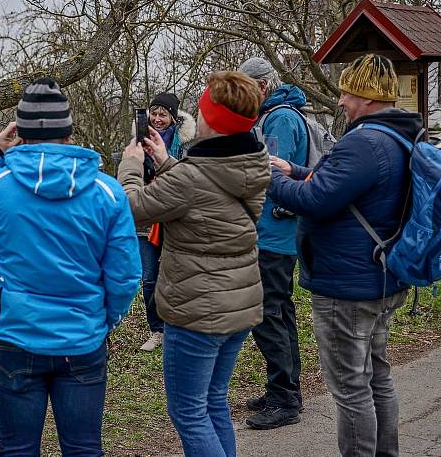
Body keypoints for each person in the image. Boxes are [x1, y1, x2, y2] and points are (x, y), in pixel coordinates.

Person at [0, 77, 140, 456]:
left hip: (16, 339)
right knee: (84, 448)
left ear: (18, 131)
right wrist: (106, 320)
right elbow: (125, 275)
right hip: (83, 339)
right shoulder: (107, 192)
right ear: (69, 132)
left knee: (18, 449)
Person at [267, 54, 422, 457]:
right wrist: (295, 169)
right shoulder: (396, 137)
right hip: (380, 275)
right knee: (376, 378)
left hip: (347, 285)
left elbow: (318, 200)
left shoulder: (364, 141)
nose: (340, 100)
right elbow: (346, 187)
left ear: (367, 98)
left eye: (348, 92)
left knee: (351, 388)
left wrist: (270, 177)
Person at [119, 71, 269, 457]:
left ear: (212, 119)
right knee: (214, 402)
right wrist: (167, 162)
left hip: (197, 312)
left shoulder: (193, 175)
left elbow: (132, 208)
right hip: (237, 304)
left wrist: (132, 165)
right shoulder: (251, 160)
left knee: (188, 412)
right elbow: (207, 194)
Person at [237, 57, 308, 428]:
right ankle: (286, 388)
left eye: (247, 87)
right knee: (281, 312)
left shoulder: (279, 117)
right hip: (277, 233)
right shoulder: (281, 113)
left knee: (267, 315)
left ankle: (284, 398)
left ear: (262, 85)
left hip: (274, 235)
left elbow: (270, 170)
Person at [138, 92, 196, 352]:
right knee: (149, 277)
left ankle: (177, 325)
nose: (158, 119)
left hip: (175, 217)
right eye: (154, 113)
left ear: (173, 117)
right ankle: (157, 329)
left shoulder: (186, 144)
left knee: (174, 274)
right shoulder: (138, 140)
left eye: (163, 114)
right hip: (147, 218)